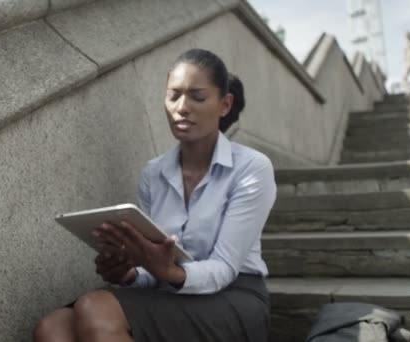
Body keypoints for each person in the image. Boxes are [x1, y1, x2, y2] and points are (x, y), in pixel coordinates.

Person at [33, 49, 277, 342]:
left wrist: (171, 272)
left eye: (197, 97)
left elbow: (224, 268)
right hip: (169, 292)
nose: (182, 107)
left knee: (95, 307)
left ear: (224, 105)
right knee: (52, 326)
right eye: (173, 96)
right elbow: (152, 269)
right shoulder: (154, 173)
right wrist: (130, 273)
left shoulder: (252, 168)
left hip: (234, 295)